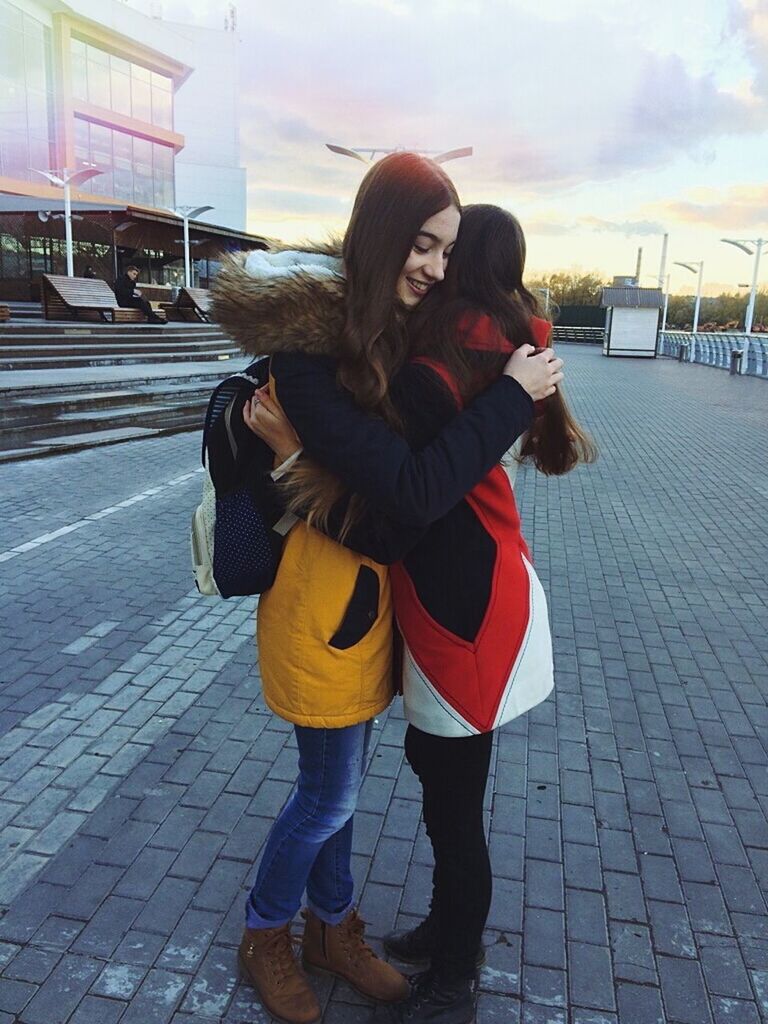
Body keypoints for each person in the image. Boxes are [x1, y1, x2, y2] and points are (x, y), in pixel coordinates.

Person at [209, 155, 564, 1024]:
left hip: (373, 612)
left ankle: (333, 927)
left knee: (346, 787)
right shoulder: (306, 361)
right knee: (329, 792)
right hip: (319, 604)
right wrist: (513, 396)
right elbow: (405, 505)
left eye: (447, 251)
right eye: (422, 245)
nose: (436, 269)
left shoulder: (380, 336)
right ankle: (269, 933)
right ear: (380, 235)